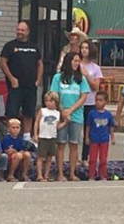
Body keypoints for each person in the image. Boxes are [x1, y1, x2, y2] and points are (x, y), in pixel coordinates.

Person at [0, 21, 43, 142]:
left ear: (28, 32)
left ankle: (26, 136)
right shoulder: (10, 46)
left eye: (22, 30)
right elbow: (2, 63)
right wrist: (11, 78)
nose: (20, 32)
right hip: (15, 87)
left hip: (31, 86)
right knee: (12, 112)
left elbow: (40, 64)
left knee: (29, 112)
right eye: (18, 29)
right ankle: (10, 135)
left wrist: (38, 80)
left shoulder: (34, 47)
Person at [50, 52, 90, 181]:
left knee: (74, 144)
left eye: (78, 61)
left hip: (76, 116)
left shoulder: (81, 79)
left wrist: (70, 111)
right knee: (60, 144)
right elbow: (54, 95)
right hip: (61, 115)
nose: (77, 63)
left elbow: (83, 97)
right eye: (74, 61)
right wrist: (63, 111)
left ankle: (73, 173)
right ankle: (60, 173)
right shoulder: (57, 77)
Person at [79, 40, 102, 167]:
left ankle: (85, 157)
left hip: (90, 102)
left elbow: (96, 87)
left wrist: (87, 75)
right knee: (76, 131)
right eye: (82, 48)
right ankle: (75, 157)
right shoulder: (76, 64)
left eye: (86, 48)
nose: (84, 50)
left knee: (88, 132)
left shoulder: (95, 68)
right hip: (77, 102)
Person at [34, 92, 63, 182]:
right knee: (41, 157)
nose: (48, 103)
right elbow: (36, 122)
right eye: (46, 101)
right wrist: (35, 134)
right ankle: (39, 175)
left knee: (49, 157)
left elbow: (57, 127)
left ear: (56, 102)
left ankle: (46, 174)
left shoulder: (57, 113)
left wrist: (65, 122)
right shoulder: (43, 111)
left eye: (51, 101)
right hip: (43, 136)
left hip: (52, 137)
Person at [86, 91, 115, 181]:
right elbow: (88, 125)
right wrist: (87, 137)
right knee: (92, 159)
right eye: (96, 100)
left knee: (103, 159)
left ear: (105, 102)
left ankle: (103, 175)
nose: (98, 102)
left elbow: (111, 127)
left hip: (104, 140)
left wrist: (112, 138)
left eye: (100, 100)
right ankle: (91, 175)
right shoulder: (92, 113)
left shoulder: (108, 114)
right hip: (94, 139)